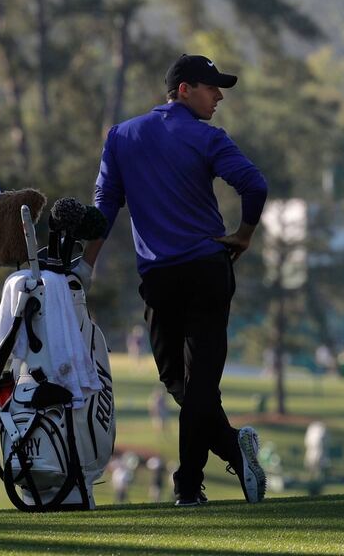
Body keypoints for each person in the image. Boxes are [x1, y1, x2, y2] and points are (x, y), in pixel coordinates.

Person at [82, 53, 268, 507]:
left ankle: (187, 485)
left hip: (160, 278)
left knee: (184, 382)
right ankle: (234, 449)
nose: (219, 96)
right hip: (207, 270)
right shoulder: (207, 137)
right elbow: (255, 185)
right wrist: (243, 235)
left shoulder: (121, 136)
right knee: (188, 384)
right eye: (211, 87)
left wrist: (86, 265)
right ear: (184, 89)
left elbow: (105, 204)